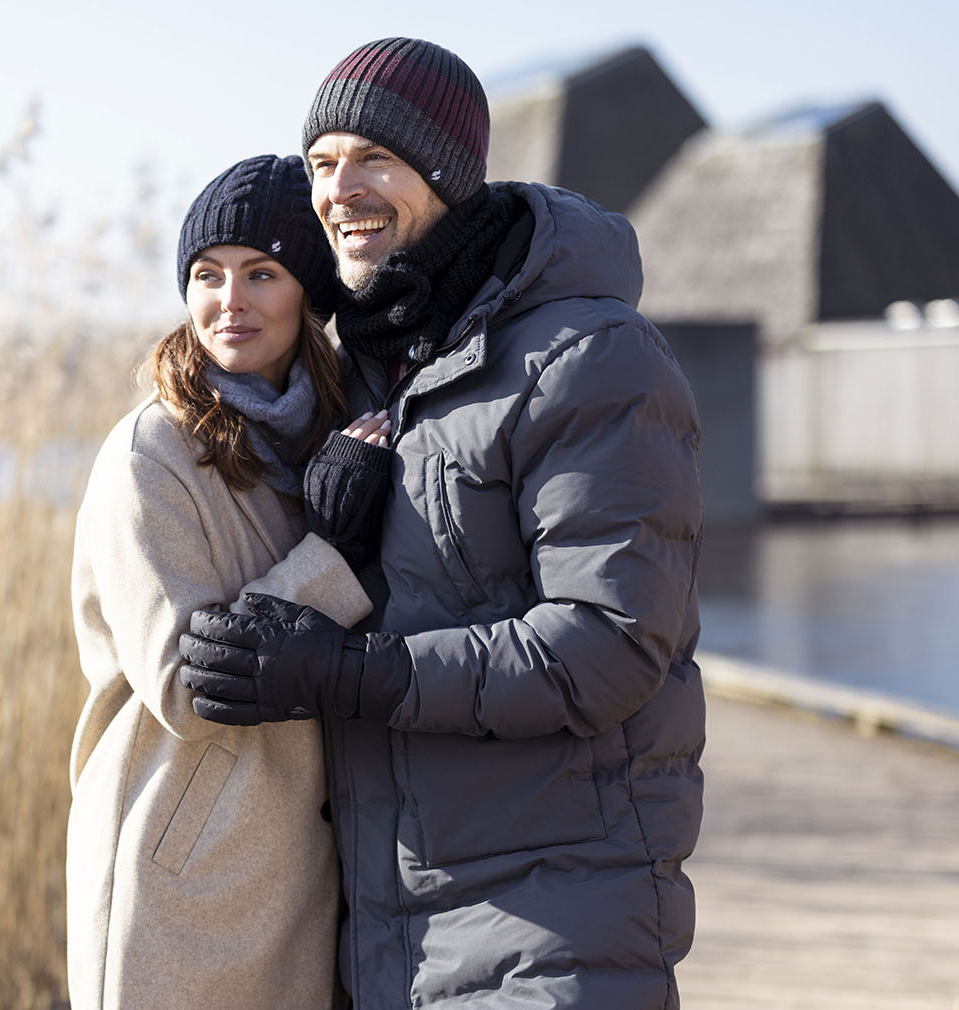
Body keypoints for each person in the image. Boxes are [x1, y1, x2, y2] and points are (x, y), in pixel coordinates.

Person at [179, 38, 706, 1010]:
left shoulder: (590, 355)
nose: (338, 189)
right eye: (321, 163)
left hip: (553, 923)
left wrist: (345, 672)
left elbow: (607, 643)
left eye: (371, 158)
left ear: (445, 174)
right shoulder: (376, 371)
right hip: (389, 932)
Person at [66, 153, 391, 1010]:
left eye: (262, 274)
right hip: (185, 861)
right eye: (206, 275)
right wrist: (331, 550)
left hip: (312, 864)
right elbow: (181, 680)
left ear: (309, 296)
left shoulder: (335, 437)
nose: (229, 301)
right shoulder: (153, 453)